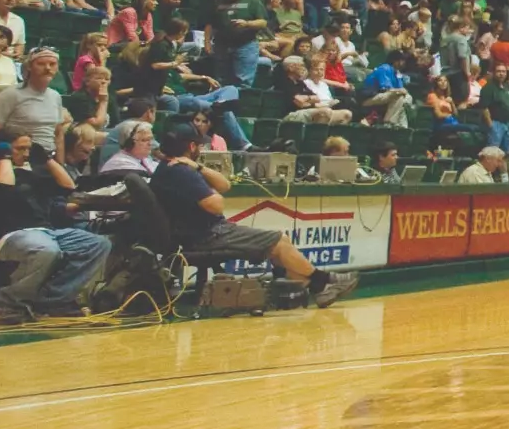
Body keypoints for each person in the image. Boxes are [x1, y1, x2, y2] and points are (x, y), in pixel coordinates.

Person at [149, 126, 358, 306]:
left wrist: (199, 167)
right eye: (200, 146)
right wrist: (202, 182)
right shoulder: (181, 173)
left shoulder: (169, 168)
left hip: (198, 233)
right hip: (207, 235)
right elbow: (216, 205)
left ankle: (320, 289)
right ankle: (324, 280)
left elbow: (225, 185)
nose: (202, 149)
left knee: (278, 246)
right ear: (192, 146)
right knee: (278, 241)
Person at [0, 135, 110, 324]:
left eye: (28, 149)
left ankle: (54, 299)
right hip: (8, 236)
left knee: (97, 244)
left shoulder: (27, 175)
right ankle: (9, 302)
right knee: (47, 250)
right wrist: (3, 157)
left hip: (45, 232)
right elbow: (3, 188)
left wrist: (47, 159)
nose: (25, 154)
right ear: (1, 150)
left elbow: (68, 186)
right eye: (19, 149)